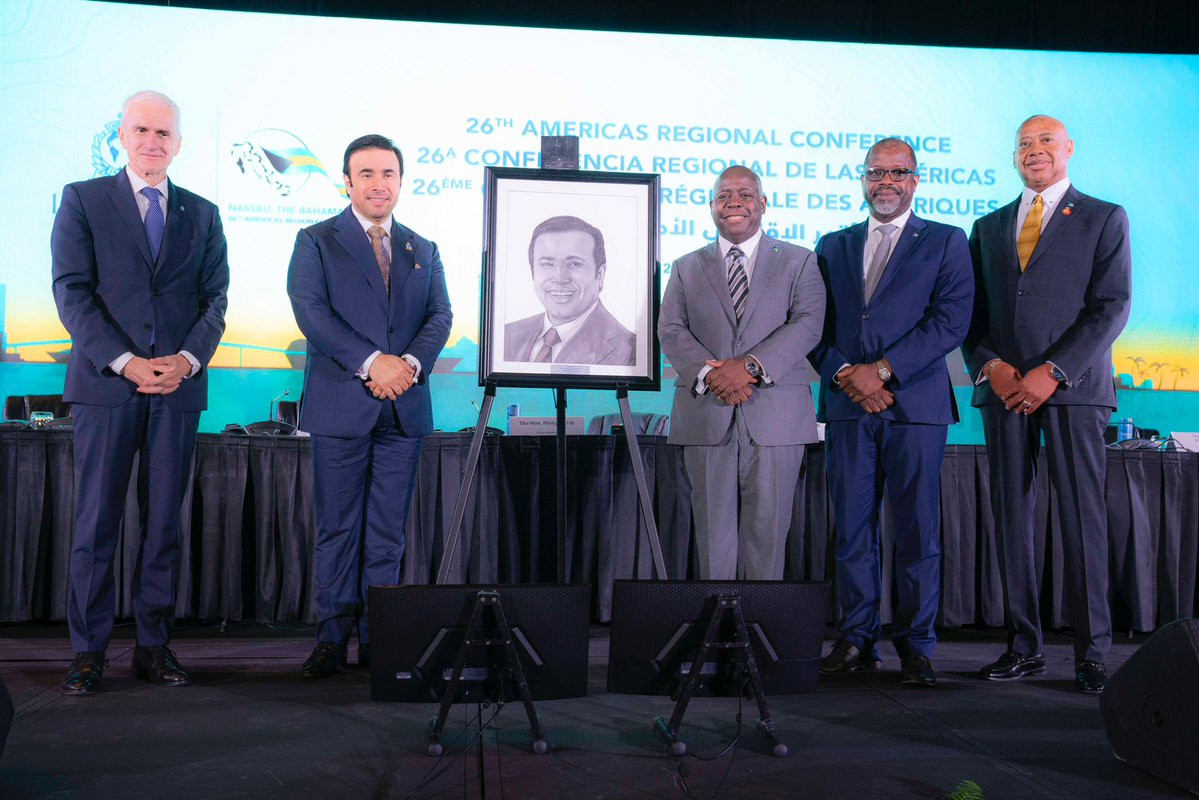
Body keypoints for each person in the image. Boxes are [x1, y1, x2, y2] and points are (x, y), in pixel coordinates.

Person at [51, 90, 230, 694]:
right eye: (142, 130)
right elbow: (72, 292)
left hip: (177, 388)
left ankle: (153, 645)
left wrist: (185, 360)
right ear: (122, 136)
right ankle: (88, 651)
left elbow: (215, 301)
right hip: (107, 387)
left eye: (164, 133)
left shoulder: (203, 213)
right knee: (96, 523)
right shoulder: (83, 200)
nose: (153, 142)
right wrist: (126, 362)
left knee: (163, 527)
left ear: (178, 143)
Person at [964, 115, 1131, 693]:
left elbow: (1111, 307)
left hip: (1073, 392)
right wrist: (992, 366)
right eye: (1023, 144)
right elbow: (971, 316)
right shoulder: (987, 226)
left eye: (1045, 142)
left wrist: (1053, 372)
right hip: (1004, 391)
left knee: (1082, 520)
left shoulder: (1104, 217)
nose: (1033, 151)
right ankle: (1024, 645)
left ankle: (1092, 653)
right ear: (1014, 157)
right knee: (1011, 517)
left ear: (1069, 149)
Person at [809, 138, 973, 687]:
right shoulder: (832, 245)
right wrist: (846, 375)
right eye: (876, 172)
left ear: (915, 180)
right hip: (849, 406)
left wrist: (880, 372)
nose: (886, 181)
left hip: (915, 407)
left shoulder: (947, 241)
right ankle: (857, 638)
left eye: (897, 172)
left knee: (917, 532)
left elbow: (951, 321)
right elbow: (811, 326)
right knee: (853, 531)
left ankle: (916, 646)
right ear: (863, 178)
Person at [287, 134, 452, 677]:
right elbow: (312, 313)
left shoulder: (423, 248)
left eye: (388, 174)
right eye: (367, 174)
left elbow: (441, 316)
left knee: (387, 533)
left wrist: (407, 366)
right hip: (342, 406)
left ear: (400, 182)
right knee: (338, 530)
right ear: (347, 182)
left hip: (403, 407)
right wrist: (372, 363)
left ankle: (380, 640)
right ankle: (332, 638)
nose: (379, 184)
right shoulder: (316, 241)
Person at [659, 166, 824, 580]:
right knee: (712, 543)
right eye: (724, 195)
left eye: (745, 194)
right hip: (707, 414)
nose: (734, 202)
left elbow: (808, 323)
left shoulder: (799, 260)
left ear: (763, 203)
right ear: (712, 206)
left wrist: (748, 367)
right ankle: (719, 621)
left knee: (767, 542)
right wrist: (712, 374)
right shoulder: (685, 266)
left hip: (777, 418)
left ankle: (760, 620)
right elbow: (671, 329)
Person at [504, 215, 636, 366]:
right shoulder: (504, 336)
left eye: (574, 264)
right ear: (533, 271)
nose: (560, 278)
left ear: (600, 274)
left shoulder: (630, 351)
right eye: (547, 264)